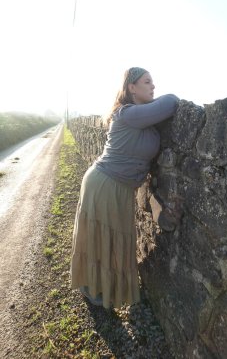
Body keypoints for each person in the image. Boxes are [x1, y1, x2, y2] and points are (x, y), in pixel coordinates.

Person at [70, 67, 179, 309]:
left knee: (107, 237)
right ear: (131, 87)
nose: (153, 86)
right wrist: (161, 100)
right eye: (147, 82)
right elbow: (171, 102)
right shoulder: (127, 114)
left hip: (114, 185)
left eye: (153, 82)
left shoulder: (140, 116)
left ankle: (99, 287)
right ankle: (94, 289)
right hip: (106, 183)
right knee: (101, 238)